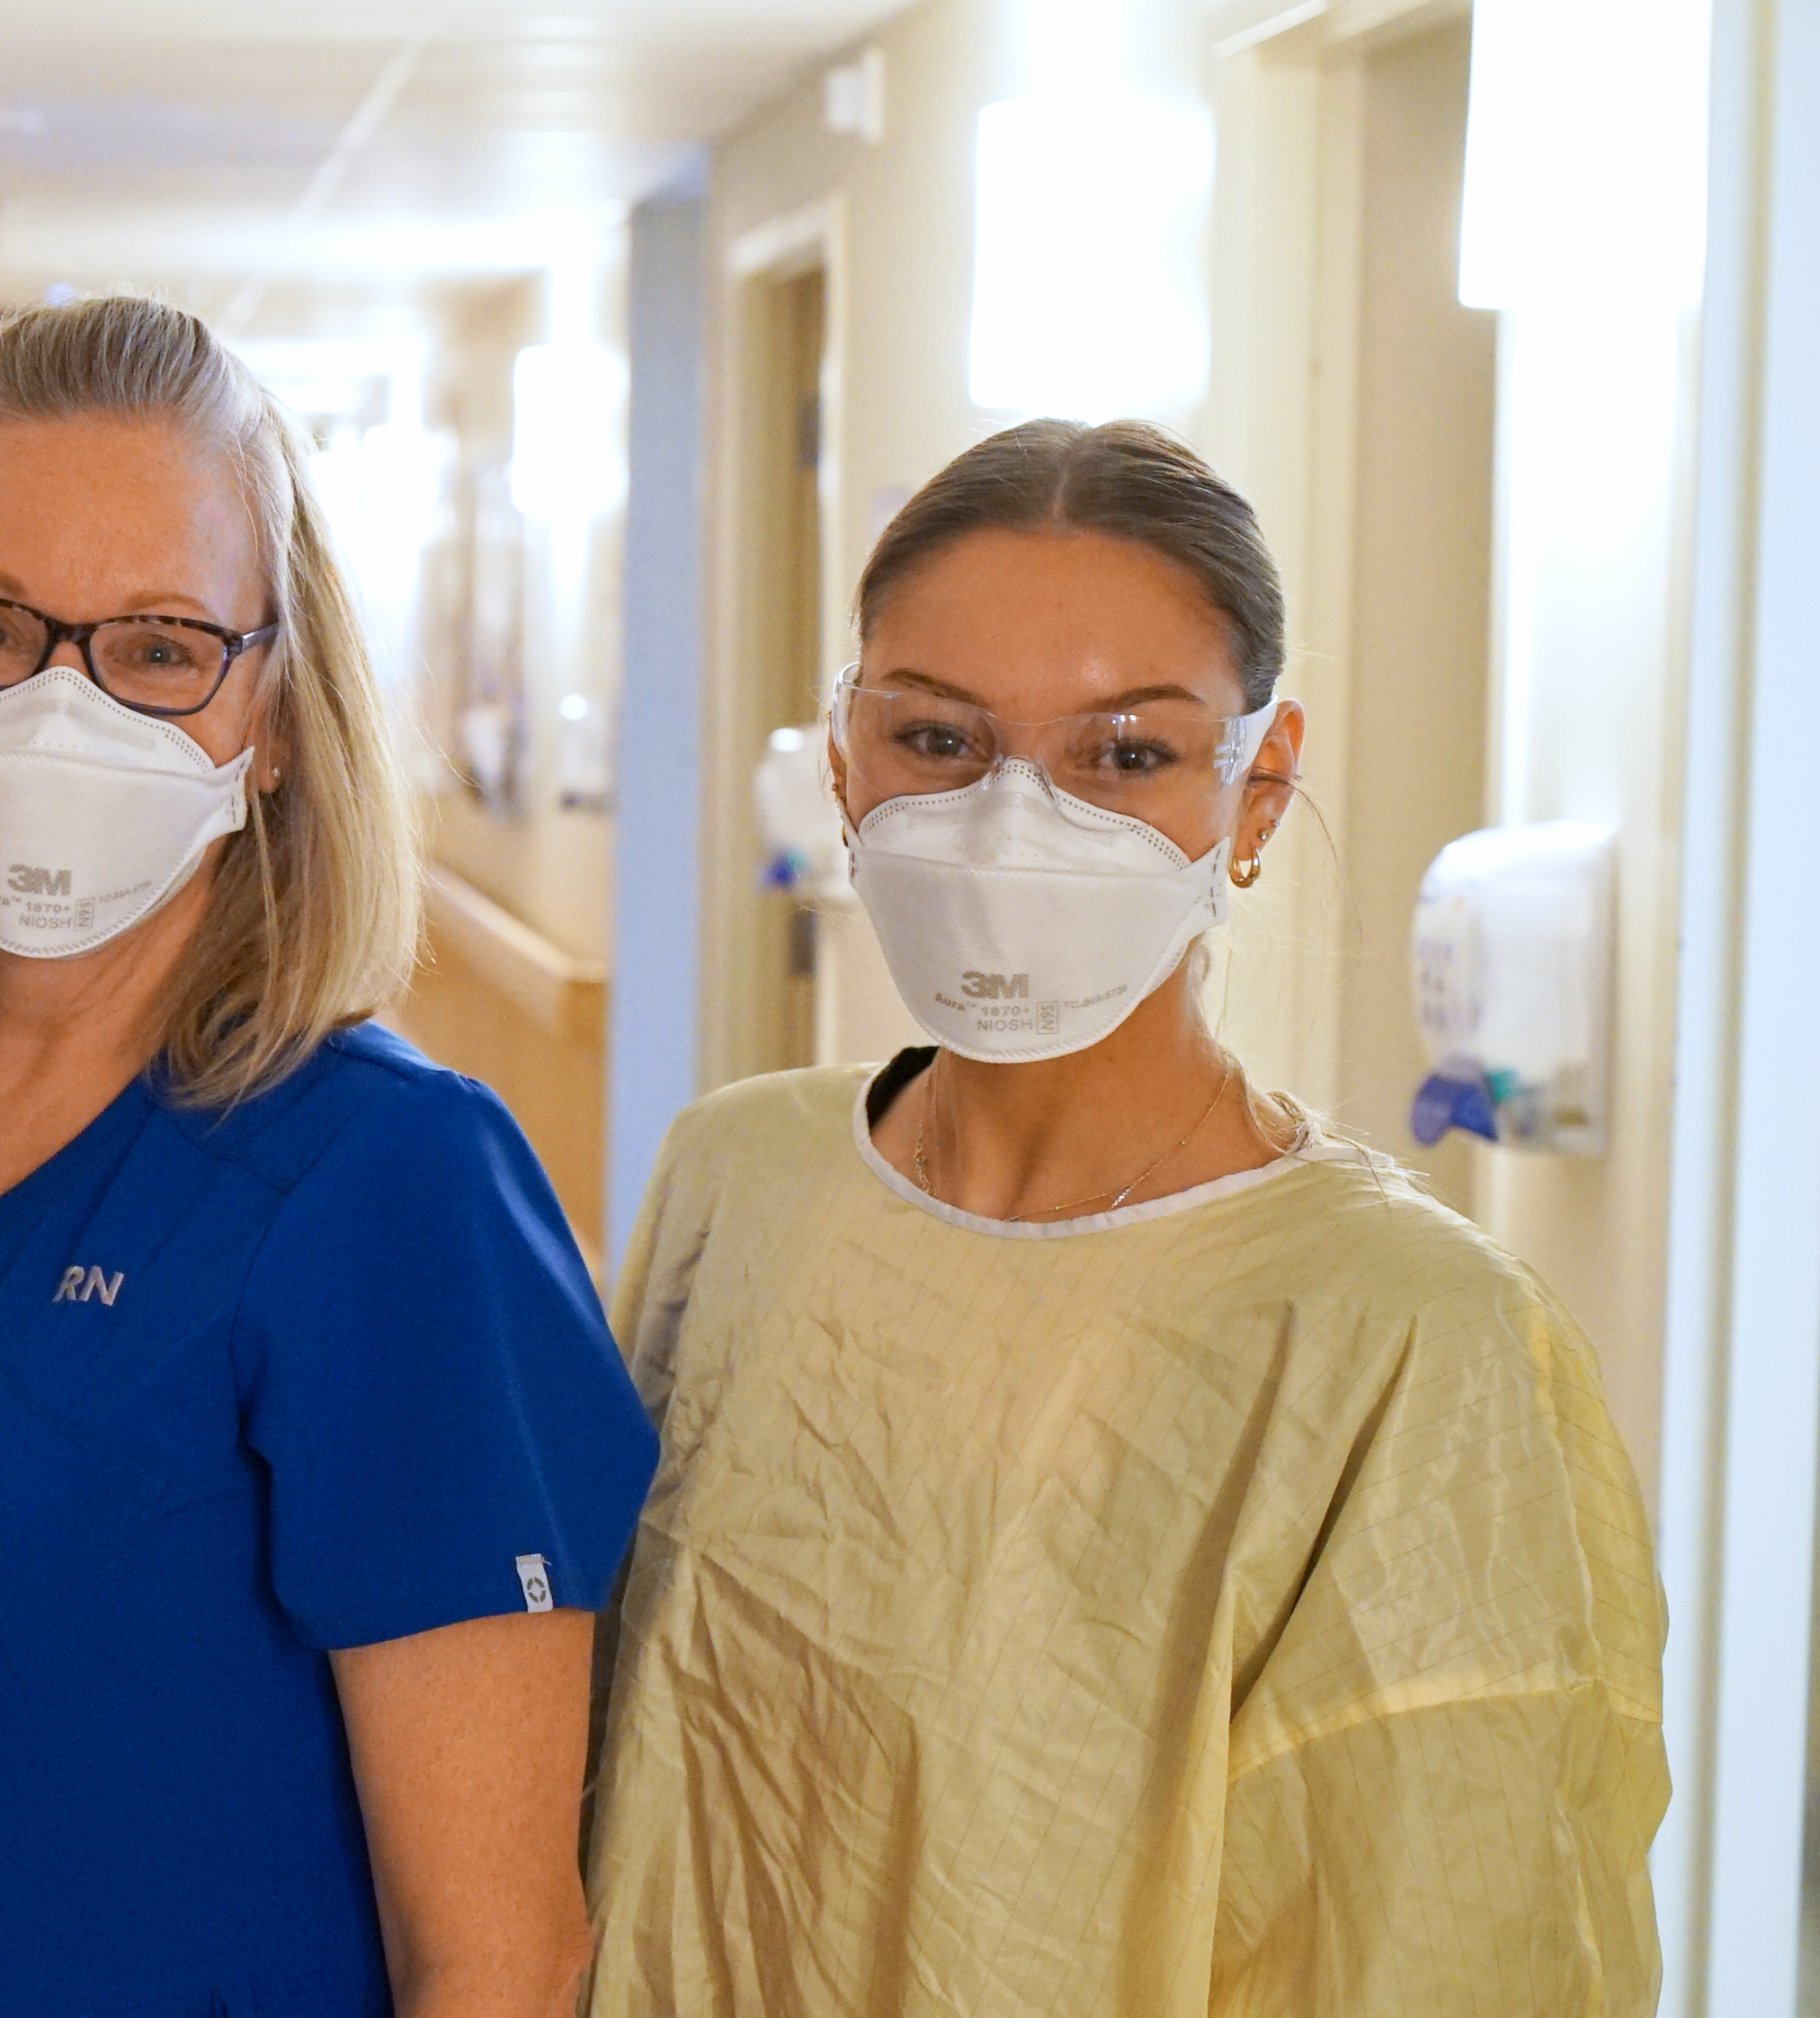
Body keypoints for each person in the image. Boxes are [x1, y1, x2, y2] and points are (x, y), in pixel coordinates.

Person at [0, 294, 656, 2018]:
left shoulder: (389, 1187)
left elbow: (498, 1956)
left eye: (161, 647)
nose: (58, 706)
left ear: (280, 717)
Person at [584, 419, 1667, 2014]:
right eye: (940, 744)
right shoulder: (738, 1178)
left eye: (1124, 754)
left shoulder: (1409, 1345)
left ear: (1258, 787)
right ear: (841, 761)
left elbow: (1446, 1935)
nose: (1017, 825)